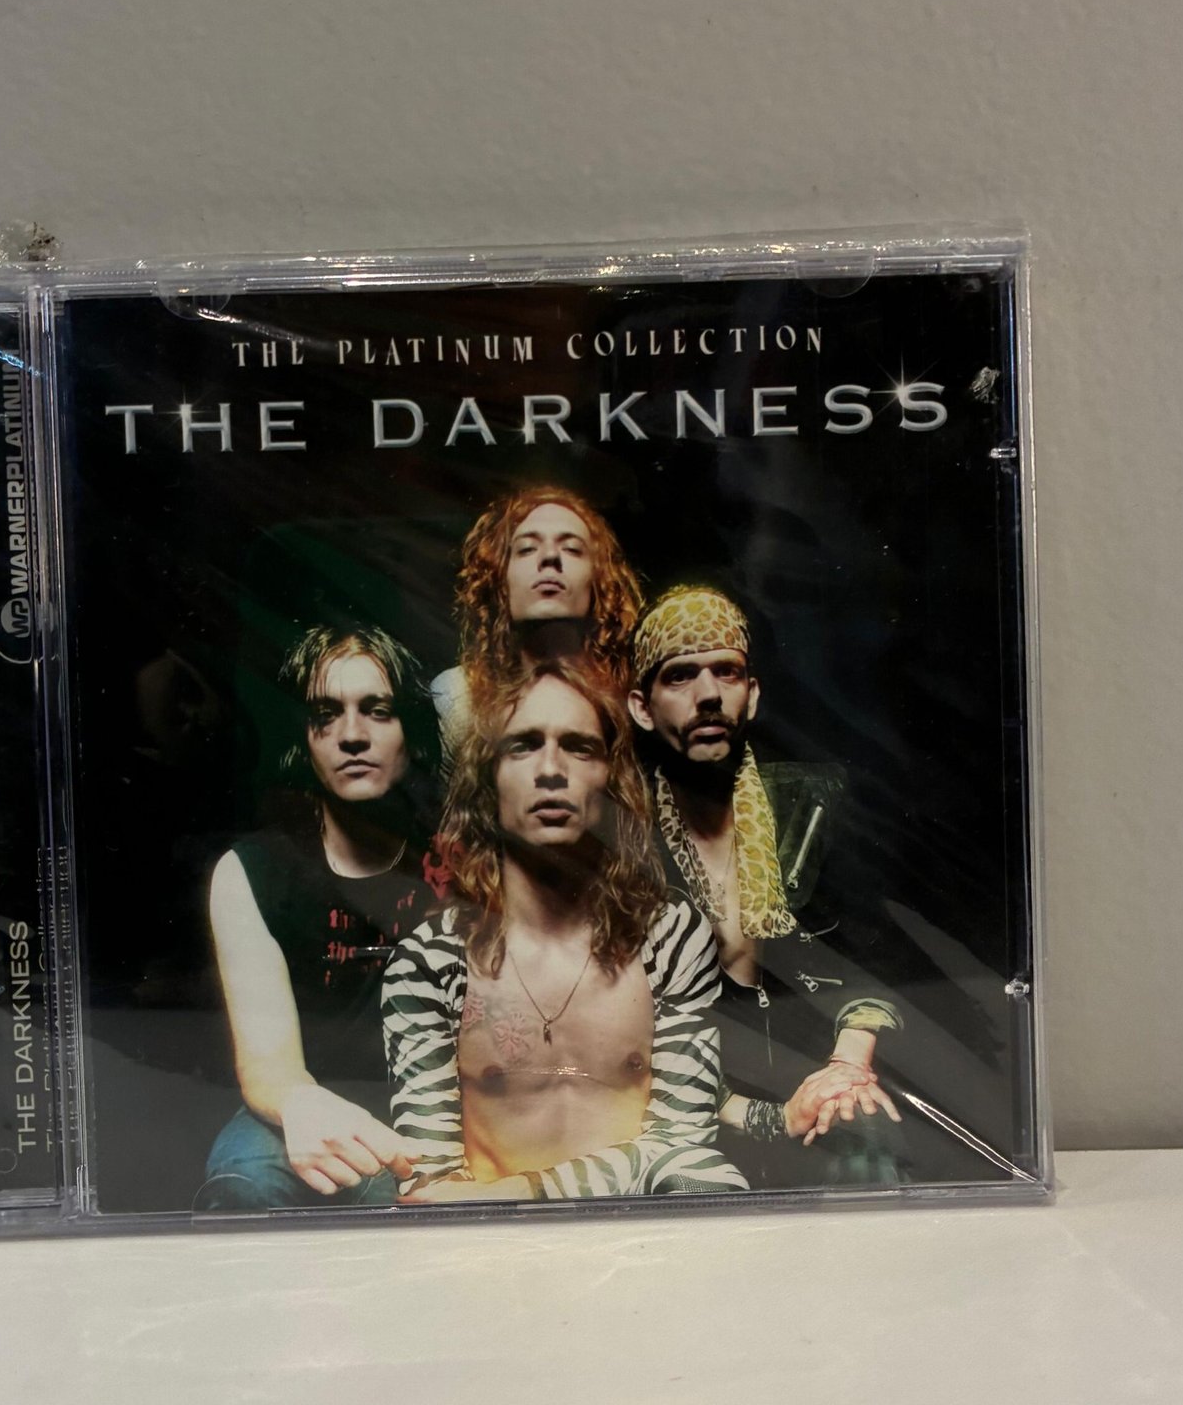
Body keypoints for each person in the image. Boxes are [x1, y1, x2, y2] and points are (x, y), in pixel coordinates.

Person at [383, 660, 745, 1202]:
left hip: (638, 1234)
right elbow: (428, 1186)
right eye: (523, 746)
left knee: (712, 1181)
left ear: (611, 780)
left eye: (579, 747)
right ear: (487, 780)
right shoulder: (429, 961)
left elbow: (684, 1150)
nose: (551, 769)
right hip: (491, 1241)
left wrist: (527, 1191)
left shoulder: (669, 934)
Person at [627, 586, 906, 1187]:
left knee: (876, 1163)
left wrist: (845, 1069)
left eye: (726, 672)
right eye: (680, 676)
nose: (708, 694)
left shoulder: (811, 806)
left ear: (751, 694)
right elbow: (617, 1045)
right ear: (642, 708)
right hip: (688, 1123)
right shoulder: (620, 837)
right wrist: (766, 1119)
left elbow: (879, 956)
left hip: (824, 1096)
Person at [194, 625, 448, 1212]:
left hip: (444, 1107)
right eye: (326, 715)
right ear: (303, 739)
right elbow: (270, 1070)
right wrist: (302, 1108)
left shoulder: (461, 858)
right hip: (307, 1098)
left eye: (378, 711)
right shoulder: (253, 870)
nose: (352, 735)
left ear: (411, 731)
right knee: (247, 1180)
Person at [431, 485, 642, 756]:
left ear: (598, 580)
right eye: (527, 549)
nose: (550, 557)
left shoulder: (632, 700)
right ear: (500, 579)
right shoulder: (458, 698)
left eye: (572, 549)